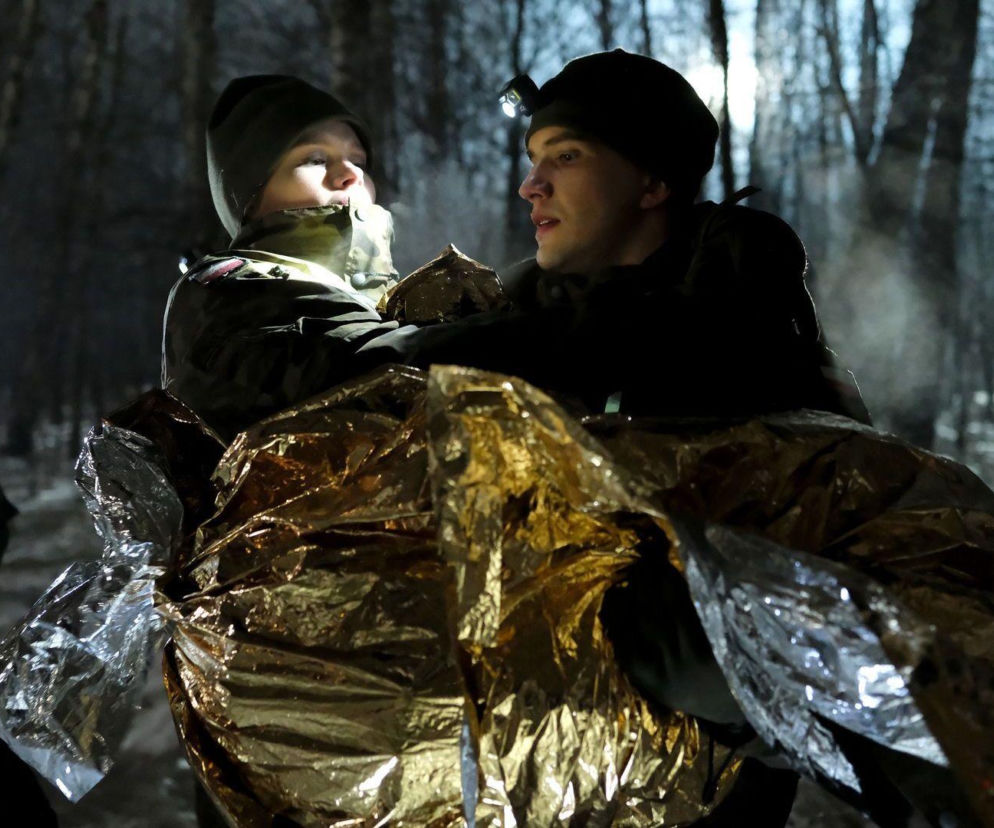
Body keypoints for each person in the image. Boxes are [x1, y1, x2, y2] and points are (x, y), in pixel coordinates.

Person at [161, 75, 407, 441]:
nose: (351, 174)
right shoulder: (228, 290)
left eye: (359, 160)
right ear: (250, 196)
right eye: (316, 159)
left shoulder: (395, 299)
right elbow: (360, 361)